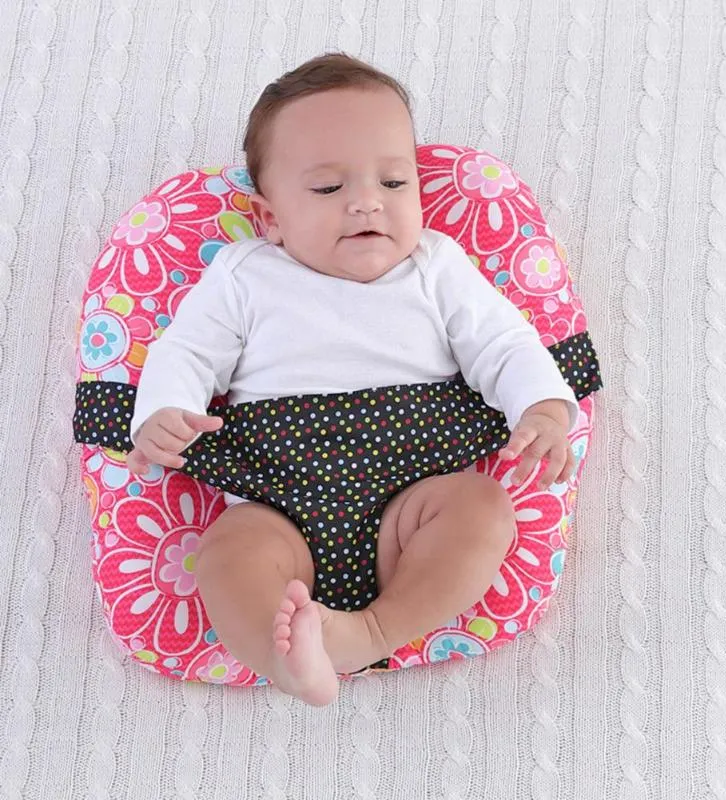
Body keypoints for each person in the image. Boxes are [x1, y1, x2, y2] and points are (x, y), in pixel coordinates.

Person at [126, 53, 579, 706]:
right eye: (327, 189)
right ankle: (285, 661)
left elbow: (503, 343)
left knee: (484, 510)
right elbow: (188, 351)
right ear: (270, 217)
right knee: (227, 551)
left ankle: (369, 632)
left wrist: (541, 407)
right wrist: (163, 411)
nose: (367, 201)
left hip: (415, 486)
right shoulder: (245, 273)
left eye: (395, 182)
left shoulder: (436, 268)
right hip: (278, 494)